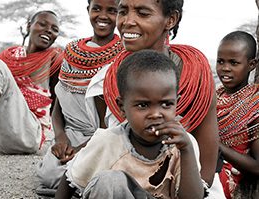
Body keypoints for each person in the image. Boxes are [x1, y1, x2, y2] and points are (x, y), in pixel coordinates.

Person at [85, 0, 224, 197]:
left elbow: (206, 173)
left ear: (171, 20)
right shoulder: (106, 80)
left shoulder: (197, 74)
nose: (127, 21)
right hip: (123, 186)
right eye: (123, 11)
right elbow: (104, 151)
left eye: (142, 13)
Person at [55, 49, 209, 199]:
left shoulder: (183, 144)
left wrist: (187, 150)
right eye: (143, 105)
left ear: (177, 103)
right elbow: (71, 178)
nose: (156, 114)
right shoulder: (107, 141)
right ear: (122, 107)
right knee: (110, 182)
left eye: (166, 104)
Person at [36, 0, 123, 192]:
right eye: (97, 9)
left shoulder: (123, 56)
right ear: (88, 10)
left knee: (90, 177)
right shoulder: (72, 52)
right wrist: (60, 137)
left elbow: (110, 124)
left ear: (120, 14)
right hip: (70, 133)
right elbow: (59, 104)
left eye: (112, 11)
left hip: (103, 138)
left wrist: (81, 149)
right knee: (48, 176)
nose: (103, 16)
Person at [0, 10, 62, 154]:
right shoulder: (9, 56)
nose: (48, 30)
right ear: (29, 26)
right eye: (42, 24)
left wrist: (60, 137)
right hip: (0, 133)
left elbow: (59, 103)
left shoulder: (54, 60)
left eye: (54, 30)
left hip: (29, 133)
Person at [216, 31, 259, 199]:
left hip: (231, 184)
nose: (225, 68)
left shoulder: (254, 105)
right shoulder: (212, 97)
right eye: (221, 61)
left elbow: (257, 167)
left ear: (252, 64)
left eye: (234, 63)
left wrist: (217, 146)